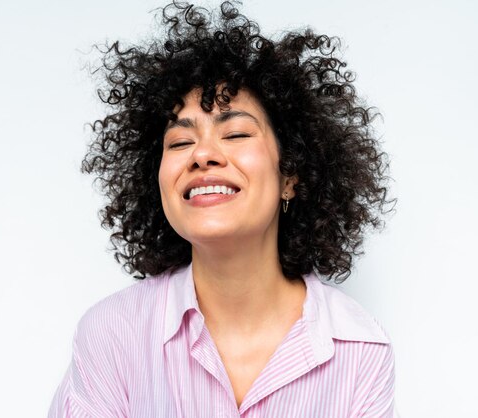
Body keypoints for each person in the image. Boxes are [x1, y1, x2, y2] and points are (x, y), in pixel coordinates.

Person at [48, 1, 397, 416]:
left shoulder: (359, 349)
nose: (202, 154)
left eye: (234, 134)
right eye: (179, 142)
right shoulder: (111, 334)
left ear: (290, 175)